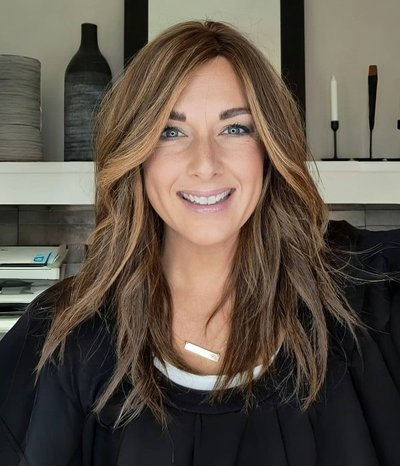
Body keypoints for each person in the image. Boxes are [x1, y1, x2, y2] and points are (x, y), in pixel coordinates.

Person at [1, 19, 400, 466]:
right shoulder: (61, 336)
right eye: (171, 132)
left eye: (235, 129)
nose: (205, 164)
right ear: (136, 153)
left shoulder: (372, 290)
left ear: (269, 148)